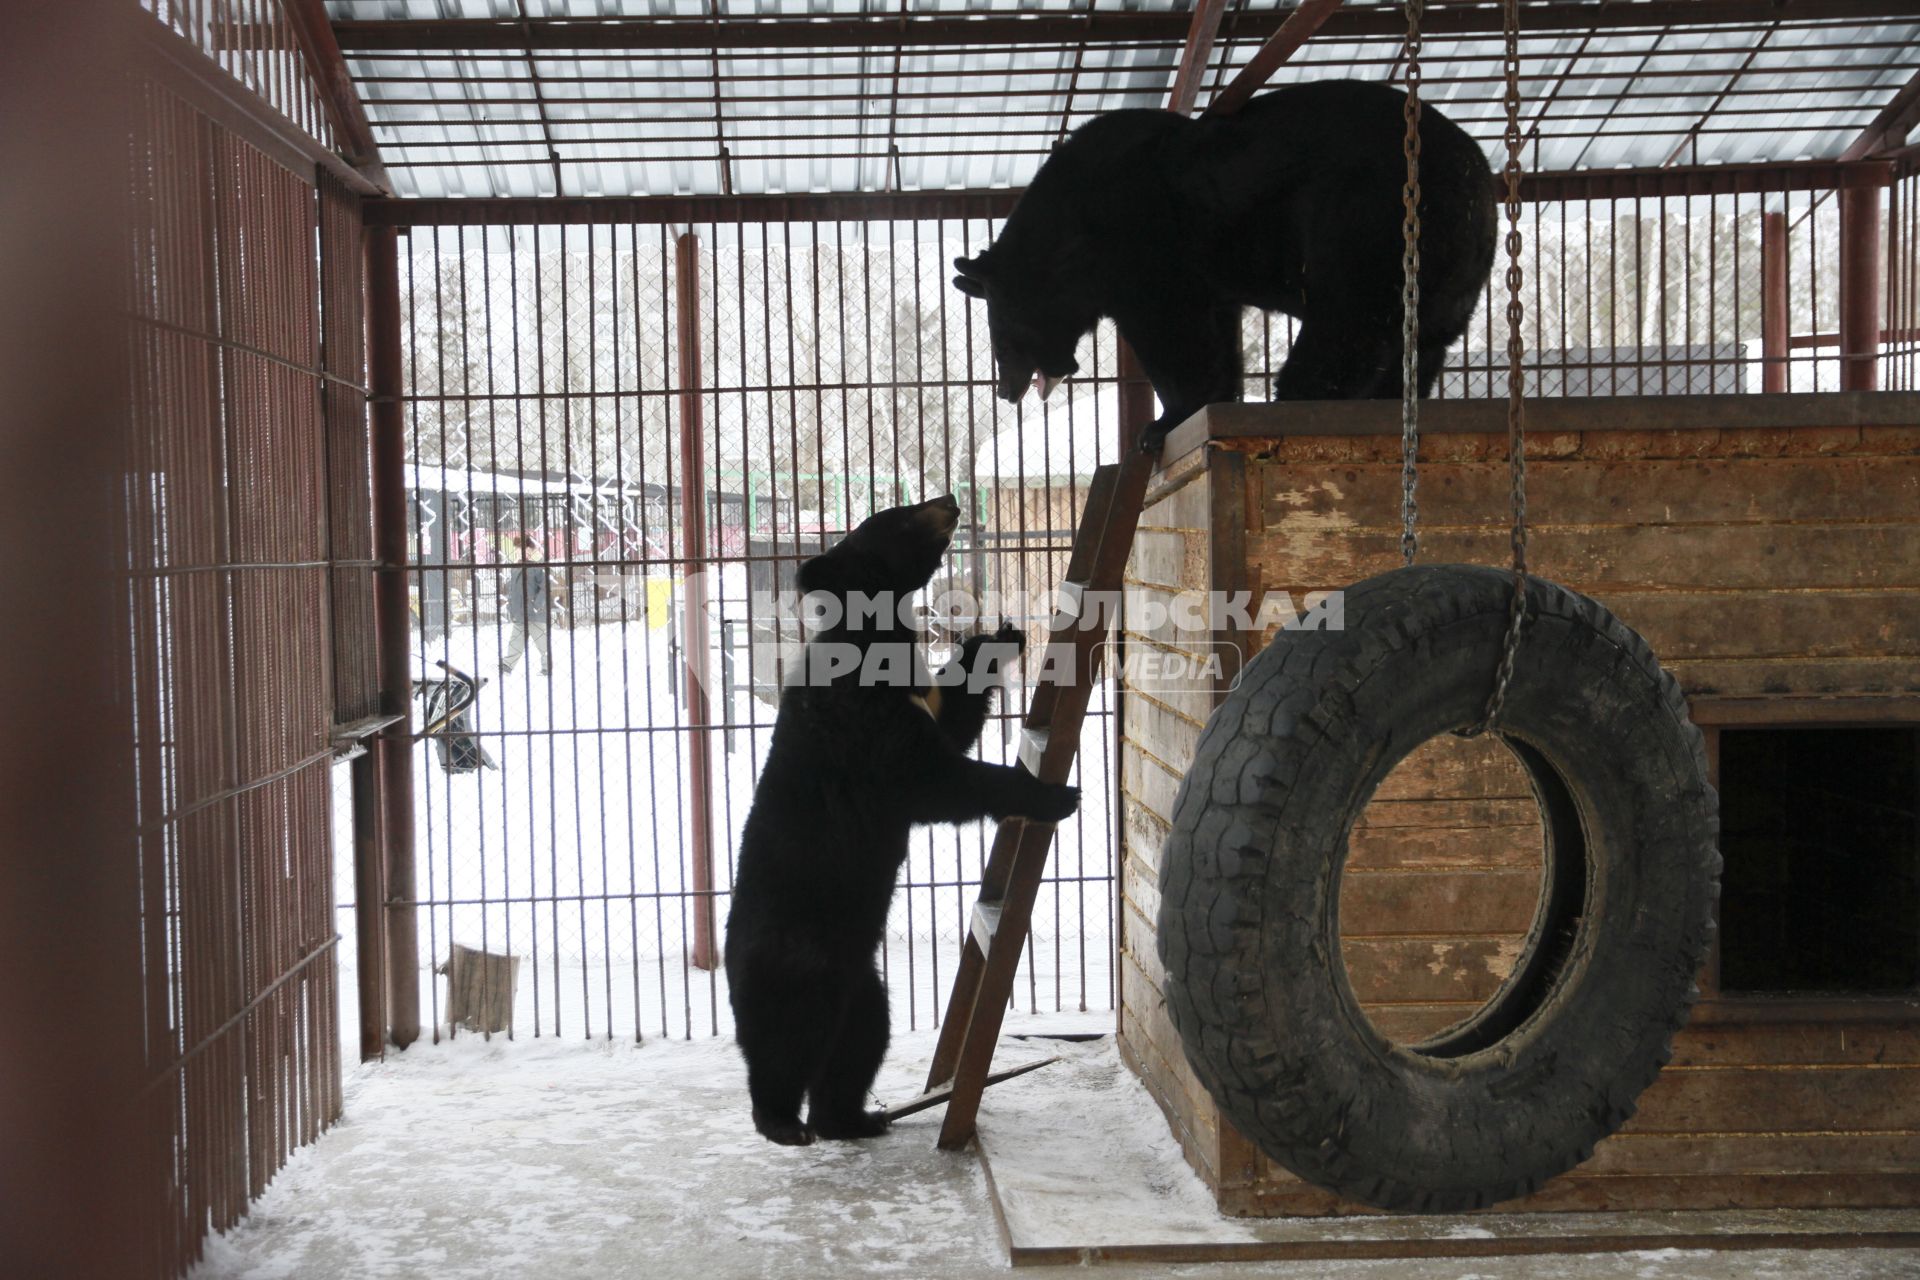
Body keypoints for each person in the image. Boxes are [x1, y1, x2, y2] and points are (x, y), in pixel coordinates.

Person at [501, 533, 552, 676]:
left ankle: (547, 667)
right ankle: (507, 666)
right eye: (518, 548)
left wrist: (537, 605)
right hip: (519, 611)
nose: (520, 551)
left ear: (530, 549)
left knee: (542, 642)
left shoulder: (538, 566)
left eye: (524, 548)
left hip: (534, 612)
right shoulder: (515, 566)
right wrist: (511, 606)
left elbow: (545, 587)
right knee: (515, 640)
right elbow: (513, 589)